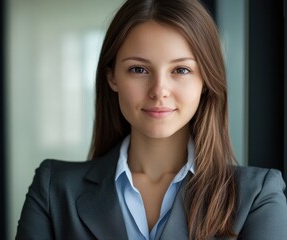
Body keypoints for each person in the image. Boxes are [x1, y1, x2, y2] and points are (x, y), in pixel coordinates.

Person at [16, 0, 287, 239]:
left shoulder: (257, 196)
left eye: (181, 69)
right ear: (112, 77)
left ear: (205, 80)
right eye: (138, 69)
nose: (159, 90)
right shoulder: (54, 190)